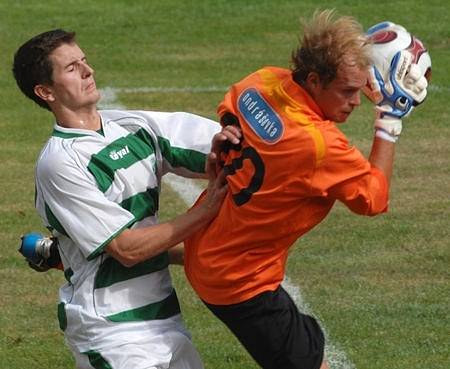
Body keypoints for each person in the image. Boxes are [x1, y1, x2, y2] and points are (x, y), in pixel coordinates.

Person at [183, 9, 428, 369]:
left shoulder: (261, 81)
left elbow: (228, 106)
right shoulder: (319, 144)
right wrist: (389, 121)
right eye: (346, 91)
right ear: (314, 80)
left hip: (209, 245)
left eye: (360, 89)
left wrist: (228, 128)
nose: (356, 102)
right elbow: (373, 199)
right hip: (240, 281)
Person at [12, 29, 240, 369]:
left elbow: (227, 149)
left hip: (163, 317)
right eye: (72, 68)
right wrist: (206, 211)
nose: (88, 71)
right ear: (46, 91)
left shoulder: (135, 127)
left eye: (84, 61)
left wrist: (239, 141)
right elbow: (127, 248)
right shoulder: (59, 162)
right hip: (111, 331)